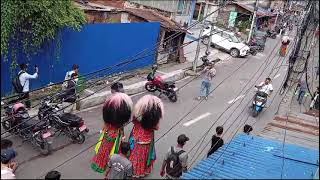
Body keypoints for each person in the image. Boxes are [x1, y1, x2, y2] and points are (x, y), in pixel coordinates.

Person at [91, 93, 133, 175]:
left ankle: (105, 162)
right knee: (107, 152)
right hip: (110, 143)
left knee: (104, 151)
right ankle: (106, 163)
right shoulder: (114, 129)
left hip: (109, 140)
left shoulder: (110, 124)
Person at [128, 95, 164, 178]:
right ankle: (142, 171)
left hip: (135, 137)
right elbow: (157, 128)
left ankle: (133, 171)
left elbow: (133, 121)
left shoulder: (137, 116)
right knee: (144, 157)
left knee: (134, 155)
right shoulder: (153, 119)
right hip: (147, 140)